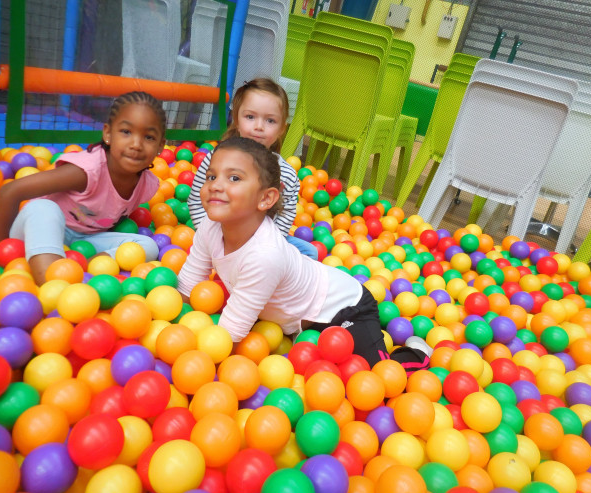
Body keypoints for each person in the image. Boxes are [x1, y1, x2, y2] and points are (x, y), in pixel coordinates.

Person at [177, 137, 430, 374]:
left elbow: (229, 334)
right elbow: (188, 286)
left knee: (375, 374)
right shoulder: (209, 228)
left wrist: (197, 365)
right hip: (296, 321)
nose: (215, 186)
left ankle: (417, 352)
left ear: (266, 198)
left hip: (344, 309)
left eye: (233, 178)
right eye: (211, 176)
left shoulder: (265, 255)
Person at [0, 91, 166, 285]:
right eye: (126, 132)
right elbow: (9, 191)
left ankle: (81, 271)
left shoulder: (148, 185)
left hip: (84, 242)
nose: (136, 145)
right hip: (40, 231)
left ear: (161, 146)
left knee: (148, 245)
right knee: (43, 209)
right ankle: (54, 285)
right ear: (108, 134)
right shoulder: (86, 171)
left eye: (149, 137)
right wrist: (1, 253)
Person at [187, 78, 318, 259]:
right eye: (250, 117)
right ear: (237, 120)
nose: (259, 127)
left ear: (281, 129)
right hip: (219, 236)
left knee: (309, 251)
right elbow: (196, 199)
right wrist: (207, 234)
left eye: (270, 121)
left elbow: (286, 213)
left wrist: (269, 247)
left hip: (262, 243)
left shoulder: (286, 174)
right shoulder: (217, 159)